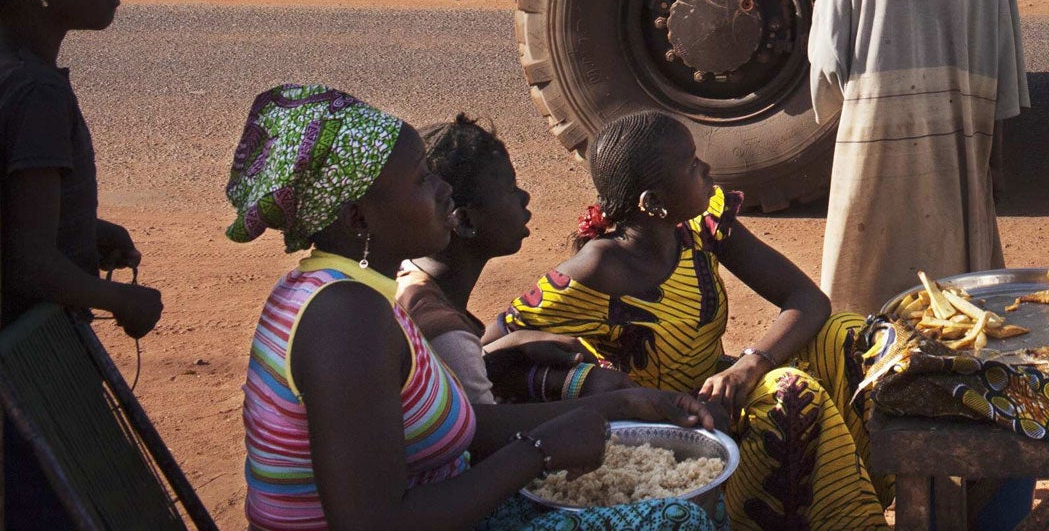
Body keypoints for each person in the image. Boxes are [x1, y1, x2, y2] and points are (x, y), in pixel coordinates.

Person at [227, 84, 711, 531]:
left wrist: (620, 405)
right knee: (679, 520)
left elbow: (458, 425)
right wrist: (538, 451)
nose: (443, 191)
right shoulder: (347, 318)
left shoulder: (354, 292)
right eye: (420, 181)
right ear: (359, 217)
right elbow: (372, 523)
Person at [489, 110, 888, 531]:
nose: (706, 169)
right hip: (668, 430)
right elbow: (493, 345)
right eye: (691, 165)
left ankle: (857, 503)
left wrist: (750, 363)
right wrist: (575, 380)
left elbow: (807, 299)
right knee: (790, 393)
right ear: (653, 203)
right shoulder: (597, 270)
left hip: (721, 391)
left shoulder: (699, 228)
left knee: (847, 336)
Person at [808, 0, 1028, 315]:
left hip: (871, 152)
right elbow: (1004, 62)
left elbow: (825, 63)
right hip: (959, 147)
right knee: (958, 296)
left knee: (863, 285)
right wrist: (996, 161)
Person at [0, 0, 163, 522]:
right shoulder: (36, 92)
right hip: (27, 372)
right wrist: (124, 299)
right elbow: (30, 265)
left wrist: (84, 228)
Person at [399, 114, 632, 407]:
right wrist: (611, 405)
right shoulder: (447, 333)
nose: (525, 197)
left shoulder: (406, 275)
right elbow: (478, 432)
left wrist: (513, 345)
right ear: (465, 220)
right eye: (510, 189)